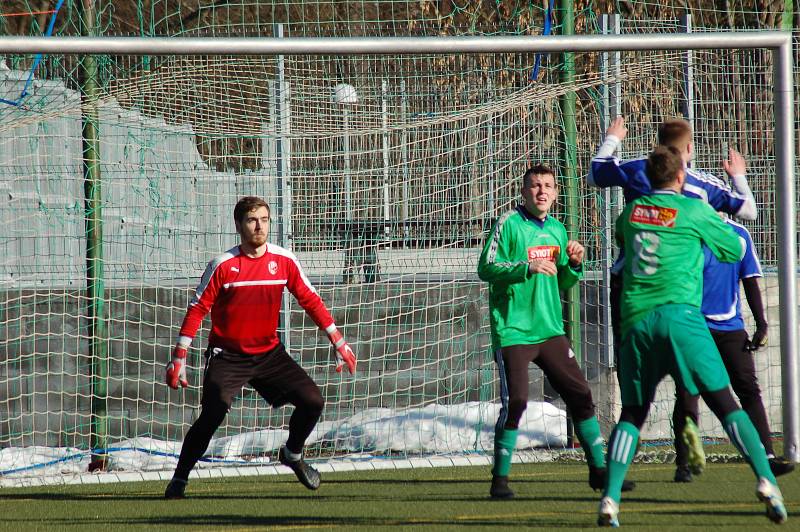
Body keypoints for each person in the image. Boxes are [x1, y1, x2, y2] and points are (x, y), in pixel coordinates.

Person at [597, 146, 786, 527]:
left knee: (633, 413)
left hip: (636, 322)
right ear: (682, 176)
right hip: (682, 319)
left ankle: (610, 500)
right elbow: (734, 247)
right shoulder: (695, 210)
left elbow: (623, 238)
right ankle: (766, 481)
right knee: (725, 402)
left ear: (648, 178)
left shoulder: (630, 213)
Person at [163, 195, 357, 499]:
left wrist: (339, 340)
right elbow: (197, 309)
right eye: (253, 220)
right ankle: (179, 479)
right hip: (227, 356)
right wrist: (179, 357)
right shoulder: (223, 265)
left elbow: (310, 299)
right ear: (239, 225)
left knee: (313, 402)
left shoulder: (283, 261)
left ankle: (292, 454)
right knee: (213, 413)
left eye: (264, 220)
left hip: (269, 354)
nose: (259, 226)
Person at [477, 165, 634, 499]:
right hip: (515, 331)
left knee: (581, 396)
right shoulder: (508, 224)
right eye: (535, 186)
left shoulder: (559, 231)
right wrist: (525, 267)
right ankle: (500, 480)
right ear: (524, 192)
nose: (541, 191)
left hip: (550, 330)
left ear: (556, 193)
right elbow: (485, 268)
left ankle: (598, 471)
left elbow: (561, 281)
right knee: (517, 401)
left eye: (548, 186)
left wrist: (574, 264)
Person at [672, 217, 795, 482]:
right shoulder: (687, 228)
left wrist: (762, 323)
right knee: (687, 392)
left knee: (748, 388)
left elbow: (750, 279)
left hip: (730, 328)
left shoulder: (739, 234)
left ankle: (767, 456)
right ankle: (683, 463)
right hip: (693, 326)